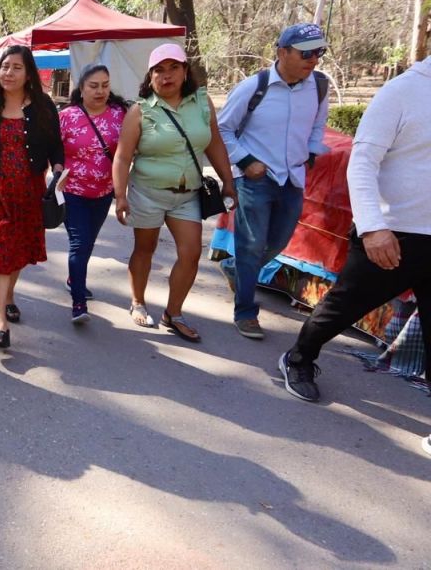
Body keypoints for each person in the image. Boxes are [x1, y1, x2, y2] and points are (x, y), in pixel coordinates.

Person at [278, 55, 431, 410]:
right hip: (395, 232)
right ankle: (298, 358)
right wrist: (373, 227)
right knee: (342, 307)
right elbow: (362, 161)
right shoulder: (402, 91)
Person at [112, 43, 237, 342]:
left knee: (191, 253)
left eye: (173, 68)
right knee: (145, 249)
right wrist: (120, 195)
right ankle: (138, 301)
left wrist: (227, 180)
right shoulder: (140, 111)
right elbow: (122, 156)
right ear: (150, 76)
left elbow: (214, 143)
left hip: (187, 195)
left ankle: (174, 312)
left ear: (184, 71)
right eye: (159, 70)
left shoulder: (202, 103)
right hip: (147, 192)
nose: (166, 76)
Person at [218, 23, 331, 339]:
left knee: (279, 241)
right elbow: (222, 130)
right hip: (255, 180)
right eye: (306, 53)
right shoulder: (255, 87)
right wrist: (245, 161)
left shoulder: (319, 87)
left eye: (319, 52)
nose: (314, 60)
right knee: (251, 245)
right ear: (283, 52)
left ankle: (236, 269)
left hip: (292, 179)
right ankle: (245, 312)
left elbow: (318, 127)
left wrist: (309, 154)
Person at [0, 45, 64, 349]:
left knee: (16, 249)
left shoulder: (43, 106)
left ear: (28, 72)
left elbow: (56, 145)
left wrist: (58, 168)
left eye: (17, 67)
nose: (9, 72)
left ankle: (8, 296)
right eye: (5, 66)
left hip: (29, 189)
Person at [58, 64, 127, 324]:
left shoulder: (121, 115)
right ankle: (78, 302)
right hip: (72, 192)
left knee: (88, 242)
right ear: (82, 88)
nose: (100, 91)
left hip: (103, 193)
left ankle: (72, 278)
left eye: (105, 85)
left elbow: (129, 149)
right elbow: (53, 151)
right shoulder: (67, 116)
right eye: (94, 86)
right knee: (80, 242)